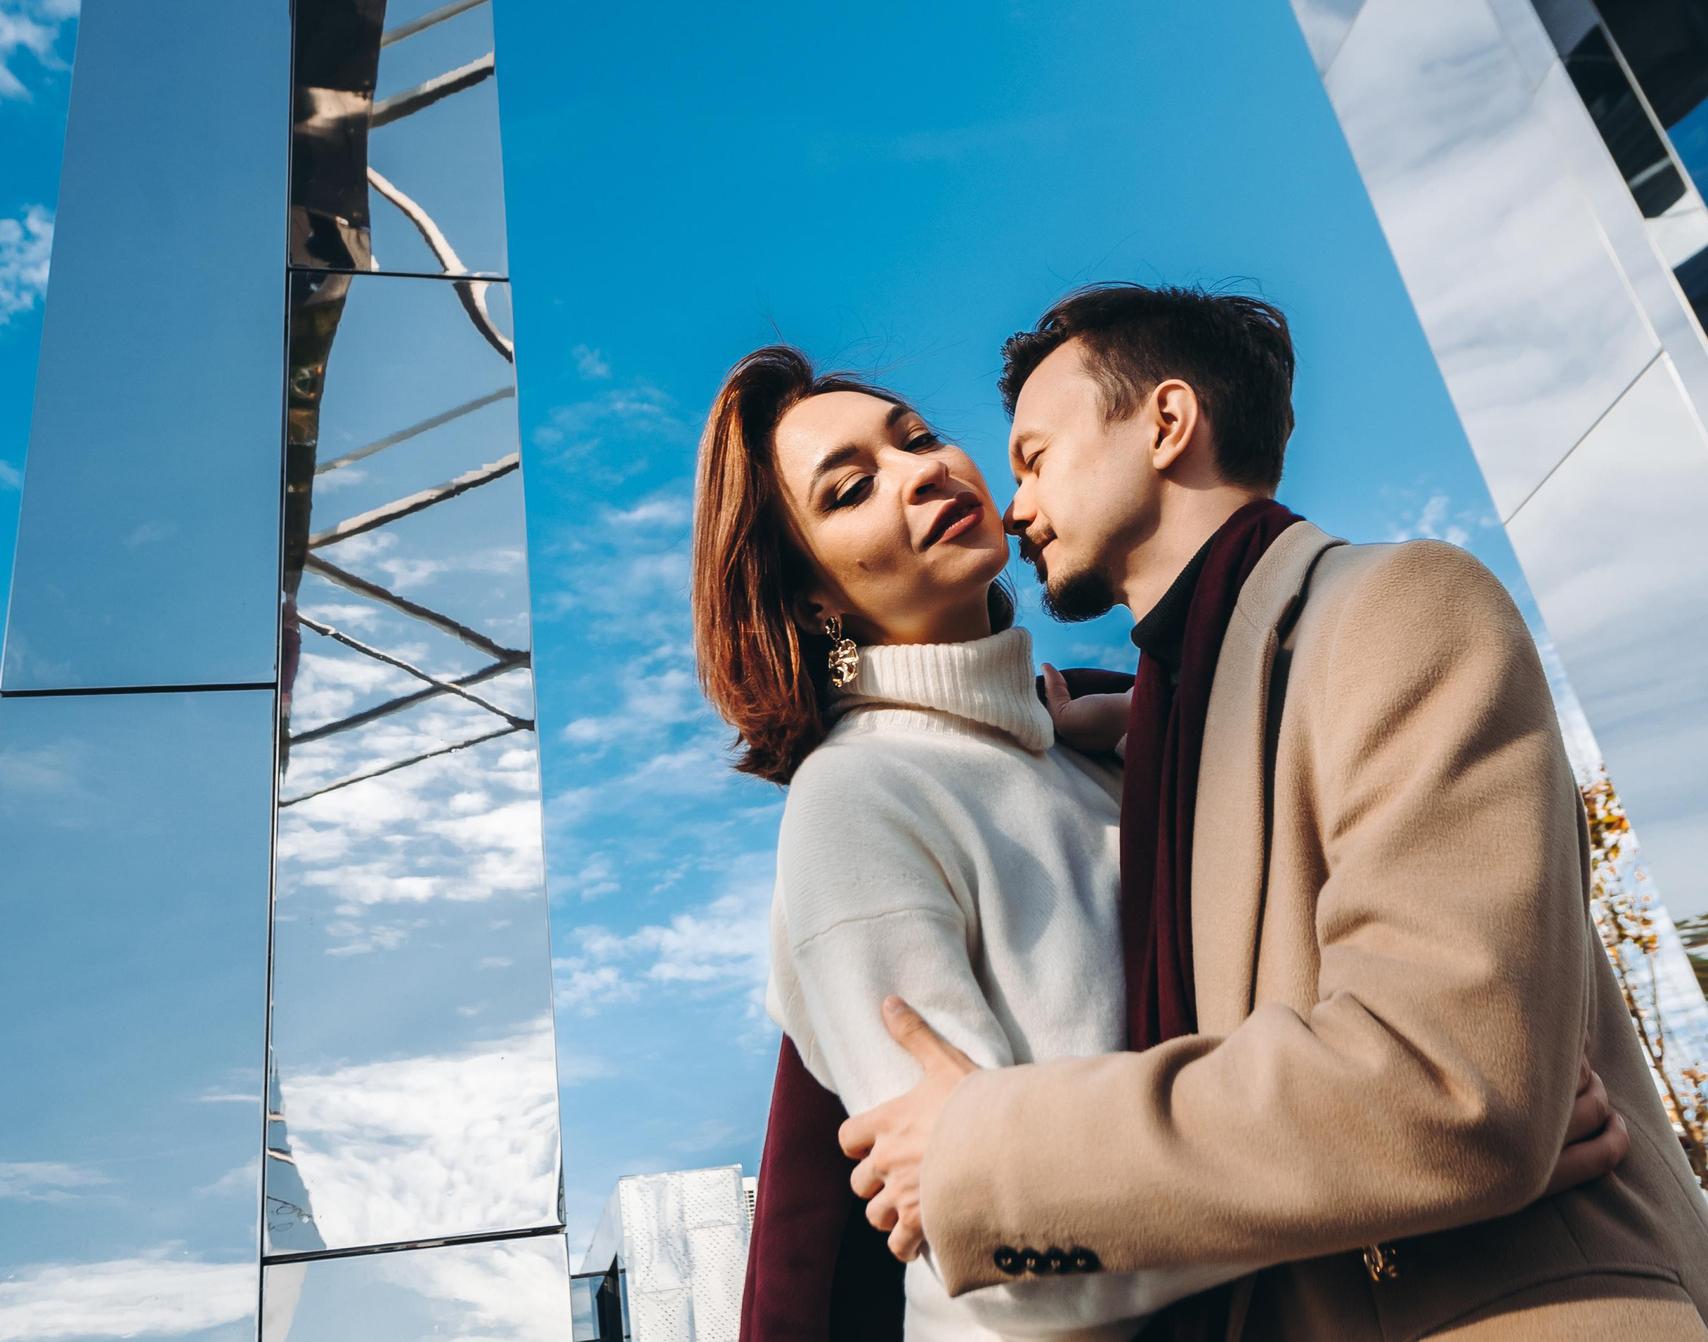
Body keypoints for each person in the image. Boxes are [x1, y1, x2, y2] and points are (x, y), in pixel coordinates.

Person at [836, 285, 1708, 1341]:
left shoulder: (1403, 608)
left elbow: (1446, 1082)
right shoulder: (1171, 735)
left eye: (1035, 458)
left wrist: (991, 1158)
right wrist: (1140, 729)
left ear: (1166, 422)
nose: (1014, 508)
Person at [691, 342, 1628, 1342]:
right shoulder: (855, 800)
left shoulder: (1106, 755)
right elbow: (992, 1245)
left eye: (917, 438)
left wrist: (1422, 1149)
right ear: (814, 601)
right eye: (850, 490)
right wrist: (1410, 1173)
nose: (920, 471)